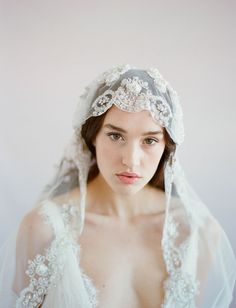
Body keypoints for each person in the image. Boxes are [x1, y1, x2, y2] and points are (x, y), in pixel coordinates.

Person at [0, 65, 235, 308]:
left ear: (167, 146)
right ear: (93, 136)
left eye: (150, 140)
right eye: (115, 136)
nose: (131, 159)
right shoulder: (44, 228)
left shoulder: (198, 234)